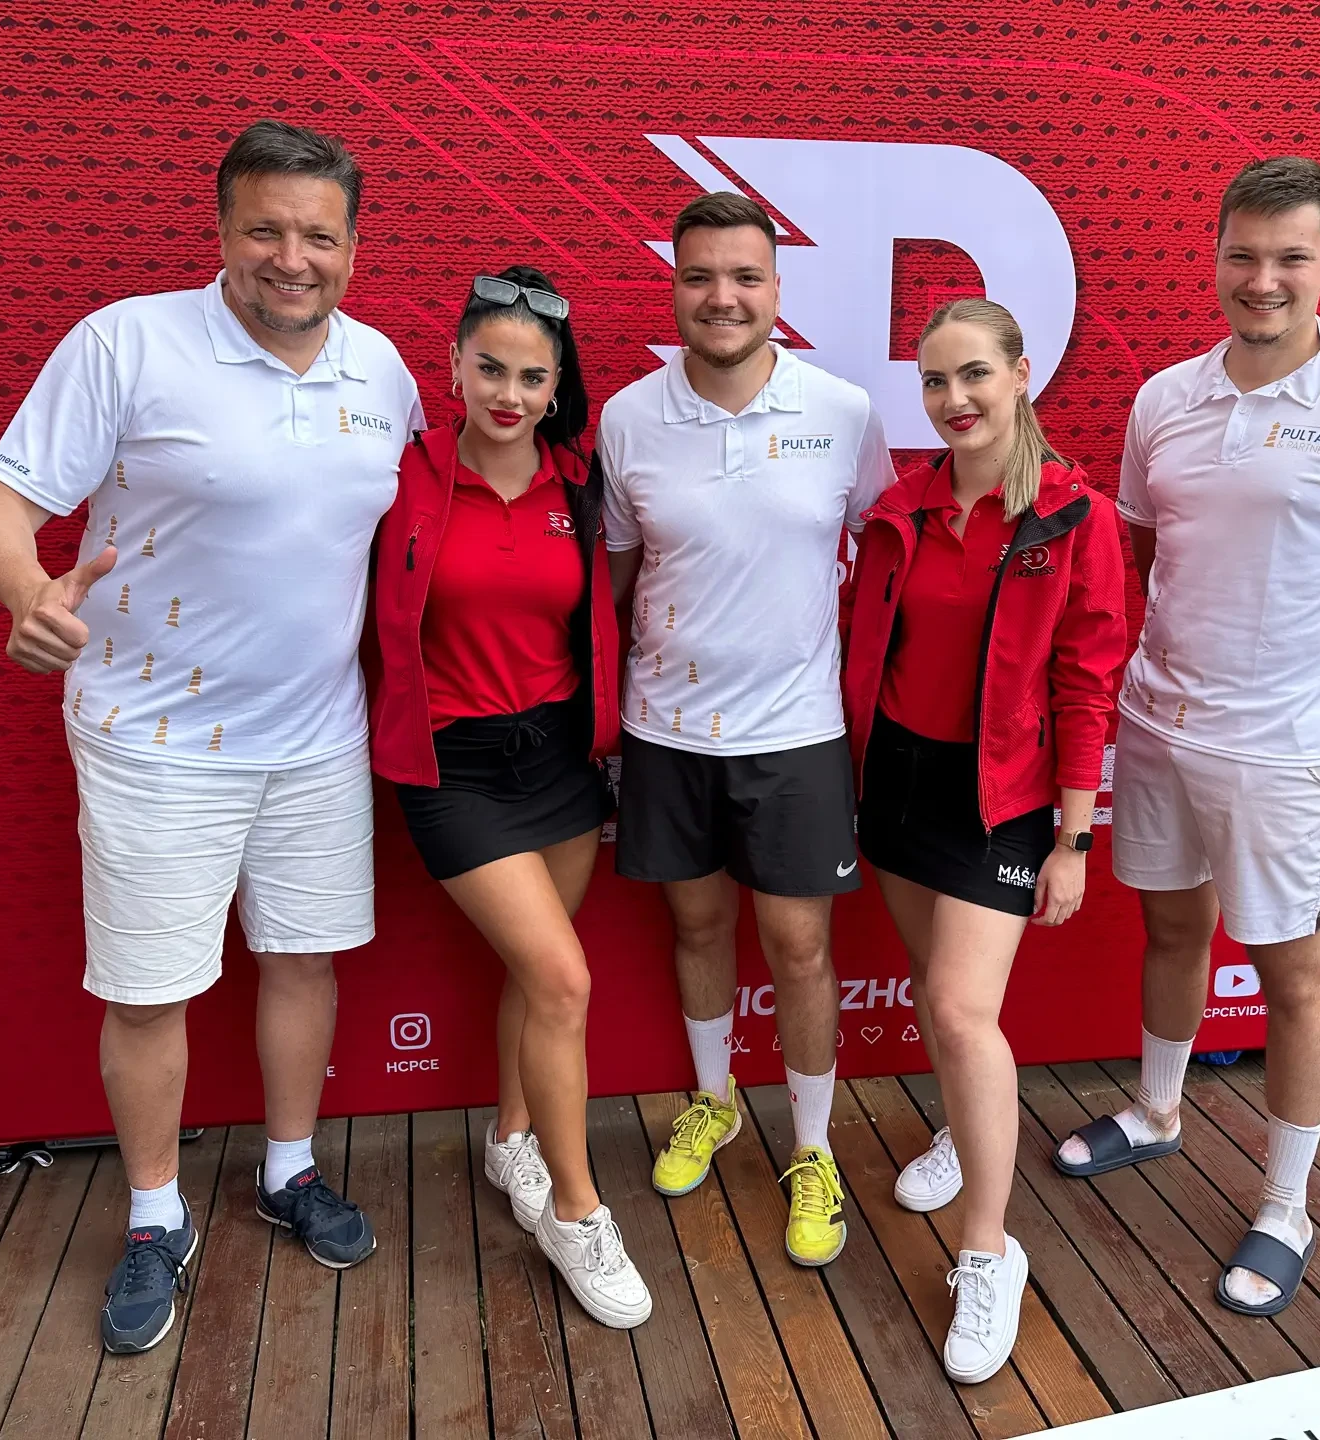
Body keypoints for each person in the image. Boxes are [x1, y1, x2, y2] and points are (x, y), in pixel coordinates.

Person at [0, 121, 422, 1352]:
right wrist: (24, 592)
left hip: (319, 737)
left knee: (304, 961)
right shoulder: (126, 342)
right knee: (148, 993)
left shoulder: (383, 369)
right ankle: (152, 1215)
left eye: (319, 235)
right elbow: (1, 497)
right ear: (221, 231)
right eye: (265, 229)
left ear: (353, 247)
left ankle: (287, 1170)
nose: (293, 258)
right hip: (154, 740)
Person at [1054, 157, 1320, 1318]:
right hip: (1159, 725)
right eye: (1244, 255)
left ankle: (1287, 1206)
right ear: (1214, 256)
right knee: (1172, 928)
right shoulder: (1164, 398)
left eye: (1291, 257)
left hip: (1286, 754)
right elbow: (1145, 559)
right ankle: (1159, 1111)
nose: (1264, 279)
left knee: (1293, 973)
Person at [598, 192, 897, 1267]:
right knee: (695, 930)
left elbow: (887, 561)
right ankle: (713, 1100)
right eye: (699, 276)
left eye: (744, 277)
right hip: (667, 728)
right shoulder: (627, 418)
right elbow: (618, 577)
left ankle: (811, 1148)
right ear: (673, 285)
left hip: (798, 729)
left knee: (801, 946)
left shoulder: (845, 412)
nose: (721, 297)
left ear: (777, 289)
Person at [843, 298, 1126, 1381]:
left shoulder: (1071, 516)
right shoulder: (902, 508)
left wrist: (1073, 837)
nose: (953, 399)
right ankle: (966, 1134)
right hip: (898, 783)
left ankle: (988, 1250)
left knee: (962, 1010)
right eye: (934, 380)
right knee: (939, 990)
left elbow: (1087, 682)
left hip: (1000, 797)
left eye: (973, 375)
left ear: (1020, 375)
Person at [369, 266, 651, 1329]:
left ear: (556, 388)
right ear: (452, 366)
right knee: (563, 979)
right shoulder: (400, 476)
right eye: (490, 368)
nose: (509, 393)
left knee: (540, 977)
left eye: (533, 378)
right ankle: (577, 1213)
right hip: (455, 768)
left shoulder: (578, 486)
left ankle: (511, 1140)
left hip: (560, 761)